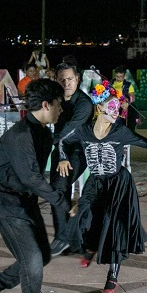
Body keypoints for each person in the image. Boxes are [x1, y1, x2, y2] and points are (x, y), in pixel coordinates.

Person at [58, 83, 147, 293]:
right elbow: (61, 141)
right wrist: (62, 158)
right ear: (100, 110)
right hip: (95, 181)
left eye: (118, 109)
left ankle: (113, 274)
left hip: (118, 184)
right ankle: (91, 246)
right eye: (112, 109)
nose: (116, 113)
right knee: (83, 215)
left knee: (114, 228)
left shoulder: (120, 131)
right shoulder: (84, 131)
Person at [0, 79, 67, 293]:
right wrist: (61, 202)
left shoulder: (43, 131)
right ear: (45, 104)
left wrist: (62, 158)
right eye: (58, 104)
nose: (61, 109)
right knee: (33, 260)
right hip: (4, 202)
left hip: (24, 201)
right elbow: (31, 177)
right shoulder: (20, 135)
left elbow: (42, 171)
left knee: (43, 255)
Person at [48, 62, 95, 256]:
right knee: (58, 192)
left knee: (58, 189)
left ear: (77, 79)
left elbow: (71, 130)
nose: (66, 83)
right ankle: (73, 240)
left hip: (78, 151)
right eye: (62, 80)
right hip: (60, 150)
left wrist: (62, 153)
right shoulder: (57, 99)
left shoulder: (83, 103)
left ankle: (63, 238)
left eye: (70, 79)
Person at [111, 65, 138, 131]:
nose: (118, 78)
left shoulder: (128, 85)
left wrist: (127, 100)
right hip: (112, 105)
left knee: (132, 109)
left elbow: (133, 98)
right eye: (117, 76)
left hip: (123, 105)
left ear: (124, 75)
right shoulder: (110, 83)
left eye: (121, 77)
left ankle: (129, 131)